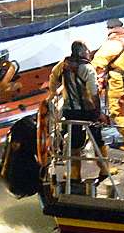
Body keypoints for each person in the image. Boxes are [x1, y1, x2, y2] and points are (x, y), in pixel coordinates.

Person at [46, 40, 111, 179]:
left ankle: (75, 174)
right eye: (87, 51)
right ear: (82, 52)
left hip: (69, 111)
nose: (89, 53)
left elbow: (53, 78)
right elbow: (93, 92)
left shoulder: (63, 64)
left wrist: (53, 93)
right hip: (88, 111)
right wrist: (98, 113)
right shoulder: (88, 68)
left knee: (74, 142)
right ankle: (104, 169)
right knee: (97, 139)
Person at [91, 20, 124, 145]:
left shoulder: (111, 45)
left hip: (118, 84)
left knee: (117, 112)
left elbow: (96, 65)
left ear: (110, 29)